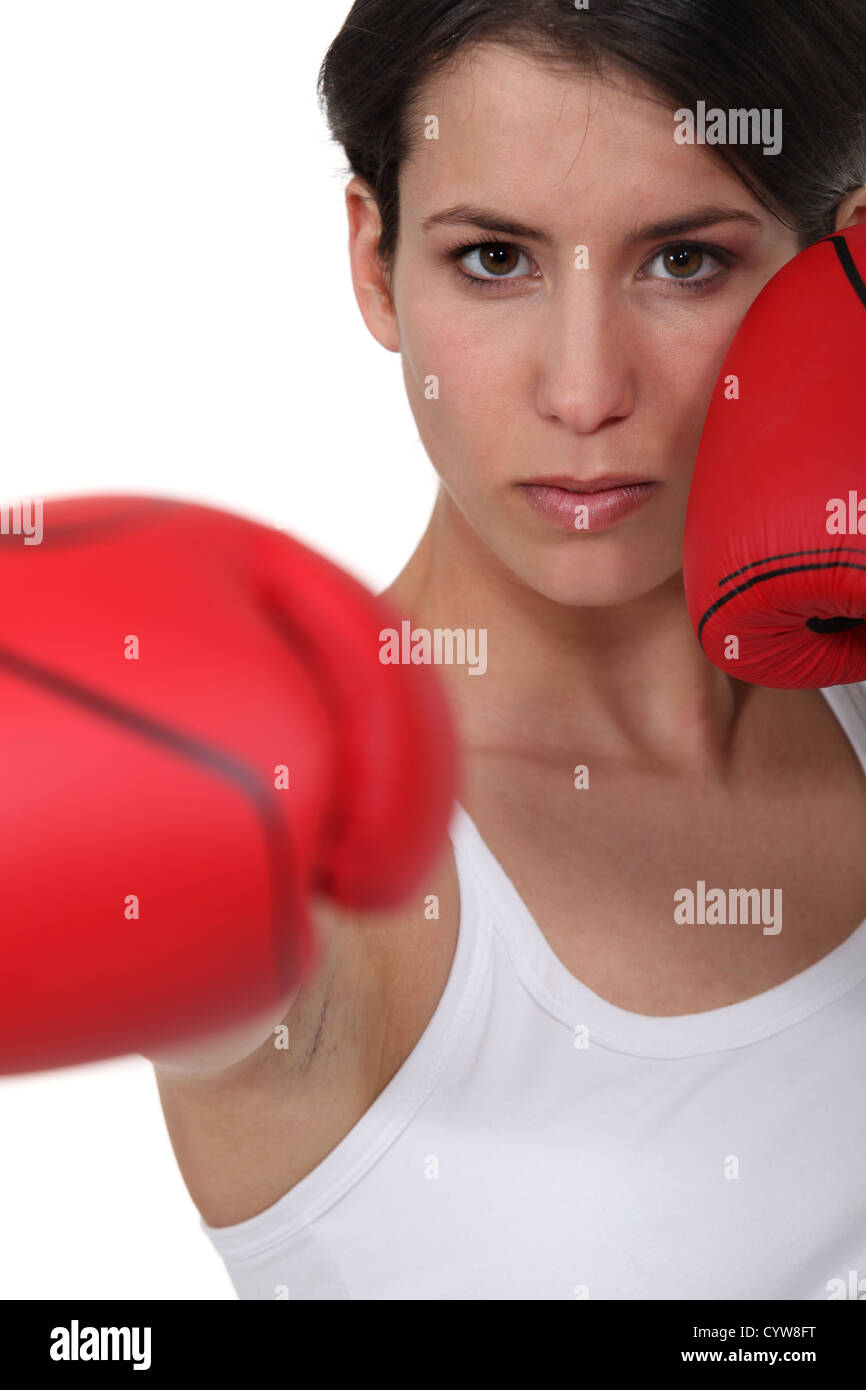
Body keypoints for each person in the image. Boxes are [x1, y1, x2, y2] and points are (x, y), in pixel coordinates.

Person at [150, 0, 866, 1299]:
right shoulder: (299, 851)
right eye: (493, 259)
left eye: (683, 261)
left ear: (834, 260)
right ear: (373, 265)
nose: (583, 390)